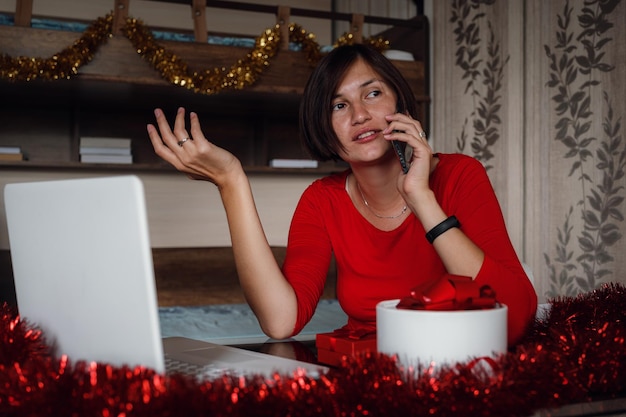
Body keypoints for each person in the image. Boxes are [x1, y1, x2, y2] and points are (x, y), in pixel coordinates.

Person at [147, 44, 537, 347]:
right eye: (339, 105)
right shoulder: (322, 200)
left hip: (455, 370)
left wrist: (421, 198)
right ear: (326, 130)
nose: (359, 115)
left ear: (399, 104)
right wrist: (231, 181)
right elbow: (281, 322)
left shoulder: (459, 175)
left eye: (372, 94)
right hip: (364, 378)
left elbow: (516, 316)